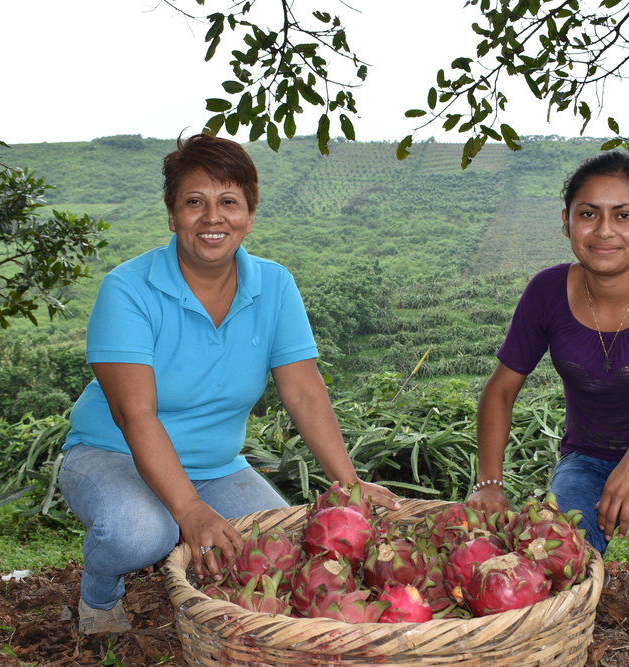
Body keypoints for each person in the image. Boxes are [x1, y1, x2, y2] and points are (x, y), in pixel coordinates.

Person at [59, 134, 399, 635]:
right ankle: (99, 596)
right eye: (194, 202)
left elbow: (304, 391)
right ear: (172, 215)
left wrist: (347, 484)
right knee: (140, 534)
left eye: (228, 202)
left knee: (280, 551)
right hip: (113, 454)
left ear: (250, 214)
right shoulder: (129, 288)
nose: (212, 217)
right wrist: (190, 511)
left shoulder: (274, 285)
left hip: (216, 466)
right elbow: (136, 414)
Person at [468, 152, 629, 653]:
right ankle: (587, 596)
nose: (604, 229)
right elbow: (500, 390)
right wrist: (490, 482)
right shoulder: (547, 290)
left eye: (624, 215)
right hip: (586, 459)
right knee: (565, 557)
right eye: (588, 213)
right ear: (566, 223)